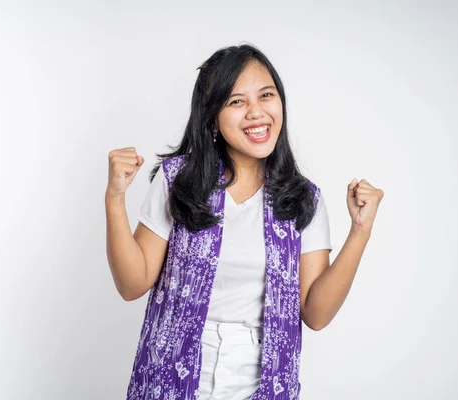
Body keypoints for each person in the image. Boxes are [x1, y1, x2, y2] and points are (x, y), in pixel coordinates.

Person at [105, 44, 384, 400]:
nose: (257, 112)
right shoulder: (180, 181)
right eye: (237, 102)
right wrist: (114, 198)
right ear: (213, 119)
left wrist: (360, 231)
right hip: (170, 381)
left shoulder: (303, 199)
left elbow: (315, 314)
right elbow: (132, 284)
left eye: (266, 95)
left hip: (259, 384)